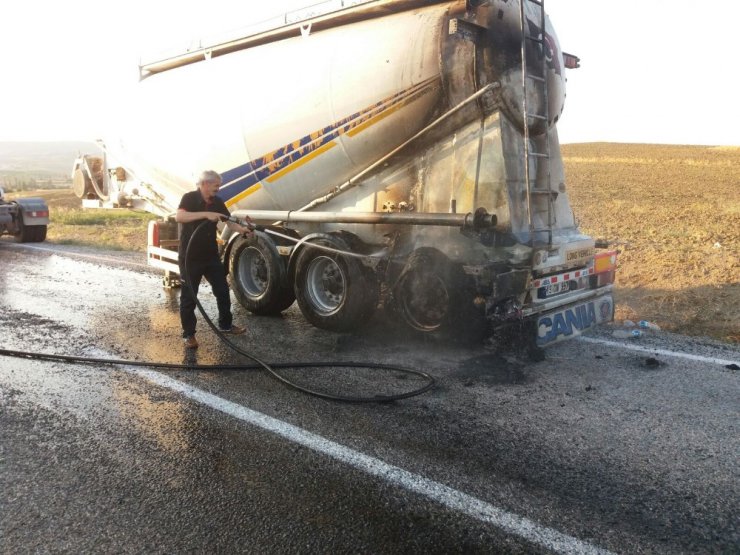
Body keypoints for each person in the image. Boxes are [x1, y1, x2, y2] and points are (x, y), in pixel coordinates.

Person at [176, 170, 252, 349]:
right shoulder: (189, 198)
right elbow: (180, 217)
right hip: (190, 256)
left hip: (210, 255)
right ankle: (189, 335)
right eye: (215, 185)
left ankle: (225, 325)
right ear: (204, 184)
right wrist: (205, 214)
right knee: (189, 297)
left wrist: (243, 230)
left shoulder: (217, 202)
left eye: (219, 185)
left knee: (223, 290)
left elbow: (229, 221)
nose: (218, 189)